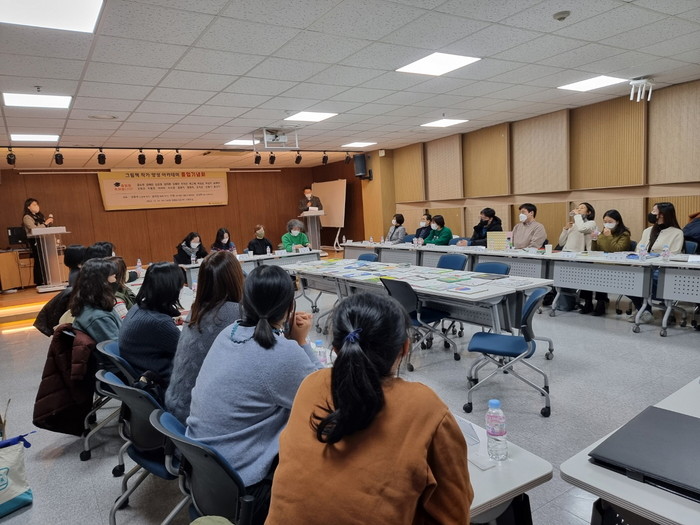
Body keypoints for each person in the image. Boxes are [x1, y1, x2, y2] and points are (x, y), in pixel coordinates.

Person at [266, 293, 473, 524]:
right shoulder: (426, 407)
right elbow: (455, 514)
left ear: (336, 348)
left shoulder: (311, 384)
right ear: (405, 347)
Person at [187, 265, 322, 525]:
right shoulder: (281, 353)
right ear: (289, 307)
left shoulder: (230, 332)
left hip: (206, 474)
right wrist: (301, 343)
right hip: (246, 488)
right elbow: (324, 394)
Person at [165, 251, 244, 424]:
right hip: (197, 416)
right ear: (236, 278)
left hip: (176, 404)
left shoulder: (196, 309)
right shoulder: (236, 313)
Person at [119, 262, 184, 387]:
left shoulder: (138, 308)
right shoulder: (159, 323)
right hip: (165, 383)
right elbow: (189, 351)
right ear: (172, 288)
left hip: (143, 368)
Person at [628, 202, 685, 324]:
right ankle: (644, 310)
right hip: (644, 266)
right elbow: (639, 248)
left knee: (646, 279)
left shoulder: (677, 233)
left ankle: (647, 310)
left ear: (662, 214)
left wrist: (653, 259)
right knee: (625, 279)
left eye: (654, 211)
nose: (651, 213)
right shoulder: (647, 231)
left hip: (662, 269)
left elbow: (674, 254)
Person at [582, 210, 632, 315]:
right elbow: (595, 250)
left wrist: (609, 237)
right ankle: (588, 302)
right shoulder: (602, 233)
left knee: (600, 273)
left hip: (616, 265)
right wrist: (594, 240)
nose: (607, 224)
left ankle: (601, 303)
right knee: (586, 273)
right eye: (605, 221)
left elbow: (617, 249)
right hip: (602, 262)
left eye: (610, 221)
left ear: (617, 222)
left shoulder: (624, 234)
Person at [69, 258, 122, 343]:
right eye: (113, 276)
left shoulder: (90, 305)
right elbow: (117, 346)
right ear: (103, 283)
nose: (116, 280)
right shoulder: (99, 317)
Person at [22, 198, 54, 286]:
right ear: (28, 207)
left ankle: (47, 279)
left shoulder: (40, 216)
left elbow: (44, 228)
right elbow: (34, 229)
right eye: (34, 205)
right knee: (39, 260)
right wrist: (45, 223)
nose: (37, 206)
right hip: (35, 240)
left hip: (43, 239)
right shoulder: (27, 217)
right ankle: (39, 281)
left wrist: (48, 224)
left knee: (45, 260)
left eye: (37, 204)